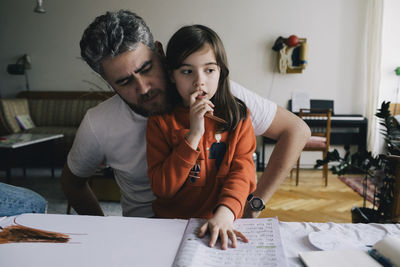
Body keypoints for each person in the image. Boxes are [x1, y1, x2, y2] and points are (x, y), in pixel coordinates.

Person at [61, 10, 310, 218]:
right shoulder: (99, 123)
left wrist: (254, 205)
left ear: (160, 52)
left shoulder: (218, 96)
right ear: (109, 83)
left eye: (146, 69)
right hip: (146, 230)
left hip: (217, 223)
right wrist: (102, 228)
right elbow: (72, 182)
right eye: (125, 82)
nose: (144, 88)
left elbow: (296, 130)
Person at [147, 25, 256, 249]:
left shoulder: (238, 117)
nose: (199, 82)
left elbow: (242, 173)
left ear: (221, 72)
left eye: (209, 70)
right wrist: (194, 134)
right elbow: (163, 188)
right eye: (187, 71)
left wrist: (225, 214)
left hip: (221, 221)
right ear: (172, 75)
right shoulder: (160, 122)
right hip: (169, 227)